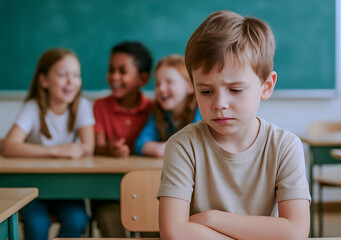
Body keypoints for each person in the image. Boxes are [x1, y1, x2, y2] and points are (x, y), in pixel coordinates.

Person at [158, 10, 311, 240]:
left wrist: (211, 218)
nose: (219, 104)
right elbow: (173, 232)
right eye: (206, 91)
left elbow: (296, 231)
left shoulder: (285, 146)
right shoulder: (182, 146)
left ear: (266, 86)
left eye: (235, 90)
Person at [3, 48, 94, 240]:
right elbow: (9, 146)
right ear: (44, 80)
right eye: (62, 75)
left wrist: (78, 151)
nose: (71, 81)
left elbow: (89, 147)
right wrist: (57, 151)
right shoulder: (33, 106)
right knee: (37, 224)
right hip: (32, 190)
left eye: (76, 75)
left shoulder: (82, 106)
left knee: (77, 219)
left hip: (67, 188)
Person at [91, 41, 154, 237]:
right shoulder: (100, 107)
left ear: (142, 78)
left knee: (153, 221)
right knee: (108, 220)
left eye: (122, 71)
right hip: (108, 191)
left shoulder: (153, 109)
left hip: (146, 189)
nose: (114, 77)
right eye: (111, 70)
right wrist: (109, 150)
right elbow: (97, 147)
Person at [134, 55, 202, 158]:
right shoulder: (158, 113)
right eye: (157, 84)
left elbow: (197, 144)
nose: (161, 89)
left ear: (190, 86)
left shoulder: (200, 112)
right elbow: (140, 144)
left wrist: (170, 147)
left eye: (169, 82)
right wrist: (158, 149)